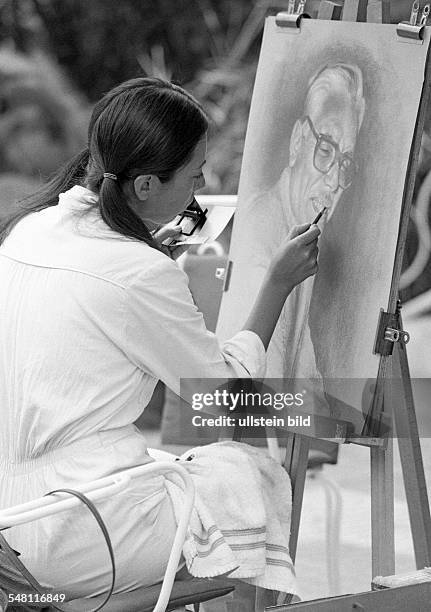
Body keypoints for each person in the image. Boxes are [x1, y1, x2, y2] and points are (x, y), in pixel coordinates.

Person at [0, 77, 319, 604]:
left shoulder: (30, 229)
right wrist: (277, 285)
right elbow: (225, 401)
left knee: (194, 469)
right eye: (194, 179)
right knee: (251, 474)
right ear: (146, 186)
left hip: (12, 521)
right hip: (75, 533)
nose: (198, 192)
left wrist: (145, 251)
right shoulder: (138, 272)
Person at [230, 63, 365, 384]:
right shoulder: (262, 250)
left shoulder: (295, 241)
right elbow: (260, 398)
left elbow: (304, 377)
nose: (334, 180)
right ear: (298, 141)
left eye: (345, 161)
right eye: (326, 149)